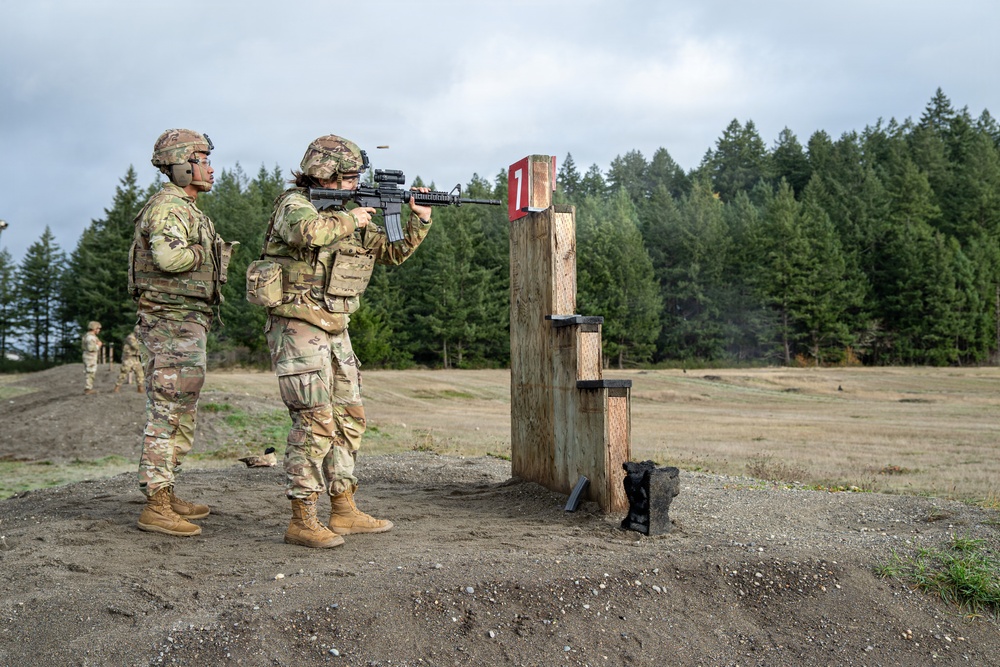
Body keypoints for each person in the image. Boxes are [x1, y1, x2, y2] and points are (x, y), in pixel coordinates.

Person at [260, 134, 433, 548]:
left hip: (336, 327)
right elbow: (307, 232)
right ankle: (302, 517)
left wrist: (419, 219)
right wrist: (353, 217)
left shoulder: (346, 213)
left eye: (358, 176)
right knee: (314, 420)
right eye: (349, 176)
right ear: (325, 174)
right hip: (298, 326)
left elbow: (391, 252)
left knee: (349, 416)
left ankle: (343, 507)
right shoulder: (295, 205)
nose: (355, 184)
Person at [129, 128, 236, 537]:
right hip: (170, 323)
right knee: (167, 410)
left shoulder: (188, 208)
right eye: (202, 159)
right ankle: (156, 504)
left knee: (181, 411)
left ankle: (166, 492)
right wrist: (203, 253)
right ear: (180, 165)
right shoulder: (168, 207)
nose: (210, 167)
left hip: (185, 321)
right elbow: (168, 257)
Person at [112, 326, 146, 393]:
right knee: (123, 373)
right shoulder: (131, 337)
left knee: (140, 373)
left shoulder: (140, 338)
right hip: (128, 358)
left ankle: (140, 388)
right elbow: (136, 347)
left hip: (136, 358)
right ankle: (117, 387)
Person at [81, 321, 103, 394]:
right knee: (90, 372)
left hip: (89, 356)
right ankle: (88, 389)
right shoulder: (90, 337)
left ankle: (89, 388)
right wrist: (98, 345)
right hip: (90, 356)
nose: (99, 330)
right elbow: (91, 348)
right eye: (98, 329)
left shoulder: (88, 336)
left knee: (90, 372)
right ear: (94, 329)